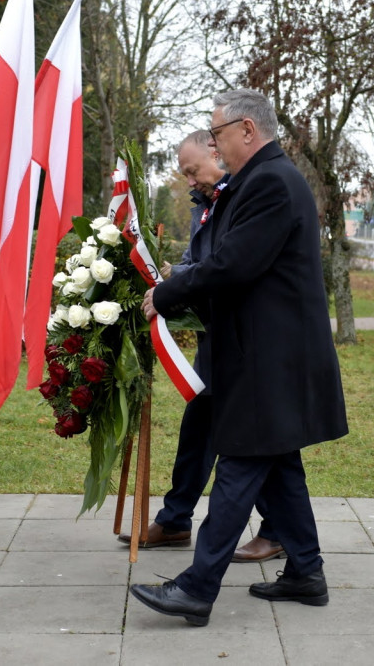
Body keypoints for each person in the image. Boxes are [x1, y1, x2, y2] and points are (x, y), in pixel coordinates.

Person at [130, 89, 348, 626]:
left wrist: (168, 294)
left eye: (219, 134)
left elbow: (233, 265)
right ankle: (306, 572)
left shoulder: (271, 181)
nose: (216, 144)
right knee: (279, 470)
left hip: (268, 361)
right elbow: (228, 262)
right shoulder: (259, 180)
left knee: (240, 466)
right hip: (265, 354)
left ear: (247, 129)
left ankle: (197, 588)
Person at [117, 131, 284, 563]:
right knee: (200, 426)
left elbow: (230, 266)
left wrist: (180, 282)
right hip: (217, 336)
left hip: (248, 341)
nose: (190, 182)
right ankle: (176, 520)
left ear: (217, 152)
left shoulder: (243, 198)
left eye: (193, 171)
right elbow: (200, 262)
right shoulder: (205, 207)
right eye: (185, 175)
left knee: (252, 441)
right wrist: (174, 273)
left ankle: (277, 529)